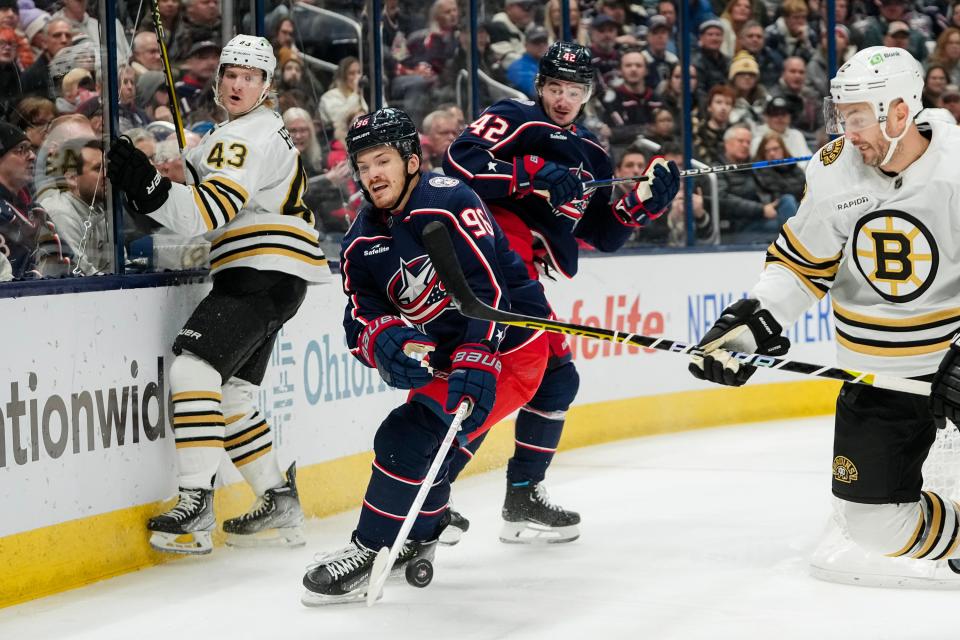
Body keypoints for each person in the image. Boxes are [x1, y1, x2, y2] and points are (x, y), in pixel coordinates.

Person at [690, 46, 960, 572]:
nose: (846, 130)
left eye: (858, 117)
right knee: (871, 524)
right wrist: (750, 325)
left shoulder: (958, 166)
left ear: (900, 112)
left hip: (954, 364)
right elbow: (800, 265)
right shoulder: (834, 172)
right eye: (842, 115)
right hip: (876, 378)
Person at [301, 107, 552, 604]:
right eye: (363, 165)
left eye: (382, 160)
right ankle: (423, 525)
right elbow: (359, 319)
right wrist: (381, 340)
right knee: (421, 446)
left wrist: (479, 351)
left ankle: (373, 548)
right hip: (449, 359)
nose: (372, 174)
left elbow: (490, 288)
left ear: (411, 161)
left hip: (511, 350)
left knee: (410, 436)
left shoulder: (448, 201)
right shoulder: (361, 241)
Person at [443, 41, 680, 544]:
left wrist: (643, 204)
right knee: (497, 379)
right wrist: (530, 173)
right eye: (555, 87)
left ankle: (522, 494)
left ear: (588, 94)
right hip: (488, 262)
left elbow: (603, 232)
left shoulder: (594, 153)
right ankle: (430, 493)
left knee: (554, 382)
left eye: (573, 90)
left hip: (520, 278)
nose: (563, 99)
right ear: (539, 88)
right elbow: (459, 164)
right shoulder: (513, 117)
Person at [106, 35, 329, 555]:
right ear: (219, 78)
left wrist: (146, 185)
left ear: (267, 86)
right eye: (230, 73)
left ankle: (196, 502)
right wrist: (182, 172)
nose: (236, 82)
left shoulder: (245, 136)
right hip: (277, 275)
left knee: (192, 371)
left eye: (249, 76)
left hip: (259, 270)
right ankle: (277, 498)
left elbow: (203, 215)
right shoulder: (242, 133)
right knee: (231, 397)